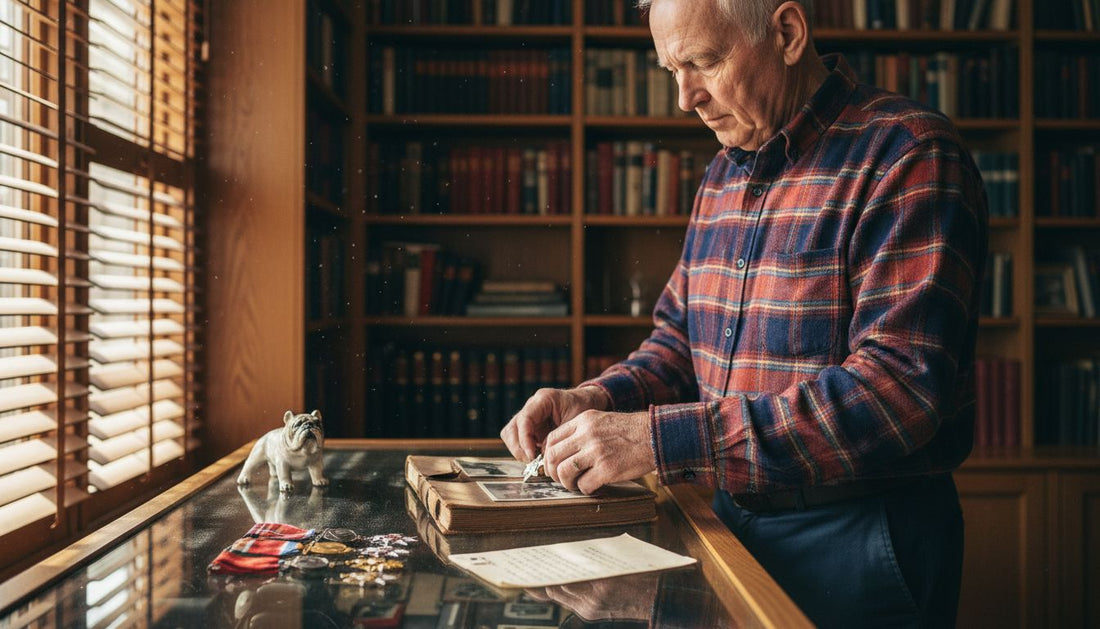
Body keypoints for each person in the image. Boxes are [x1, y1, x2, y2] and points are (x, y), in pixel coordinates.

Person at [500, 0, 988, 626]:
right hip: (727, 517)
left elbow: (897, 392)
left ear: (787, 33)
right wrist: (595, 399)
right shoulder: (721, 175)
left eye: (703, 62)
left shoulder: (908, 153)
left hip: (863, 535)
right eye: (671, 70)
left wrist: (658, 439)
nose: (685, 99)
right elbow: (680, 344)